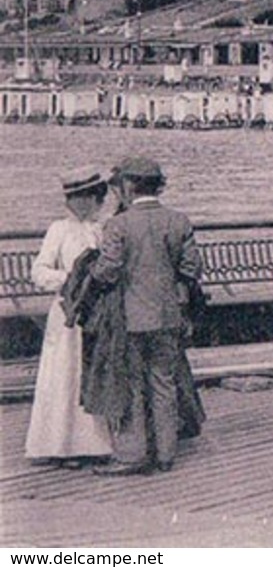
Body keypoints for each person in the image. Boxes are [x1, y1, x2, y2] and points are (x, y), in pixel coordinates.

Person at [89, 157, 203, 476]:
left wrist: (91, 275)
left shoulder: (119, 225)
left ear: (127, 186)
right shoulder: (179, 220)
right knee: (165, 383)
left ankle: (132, 454)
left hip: (130, 318)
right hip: (169, 317)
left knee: (131, 385)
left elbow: (108, 269)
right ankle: (166, 454)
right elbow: (192, 267)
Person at [25, 166, 114, 465]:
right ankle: (61, 444)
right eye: (77, 198)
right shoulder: (58, 230)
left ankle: (96, 444)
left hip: (98, 313)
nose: (83, 204)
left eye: (88, 197)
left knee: (94, 373)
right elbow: (39, 271)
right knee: (65, 374)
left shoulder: (104, 230)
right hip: (68, 312)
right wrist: (72, 280)